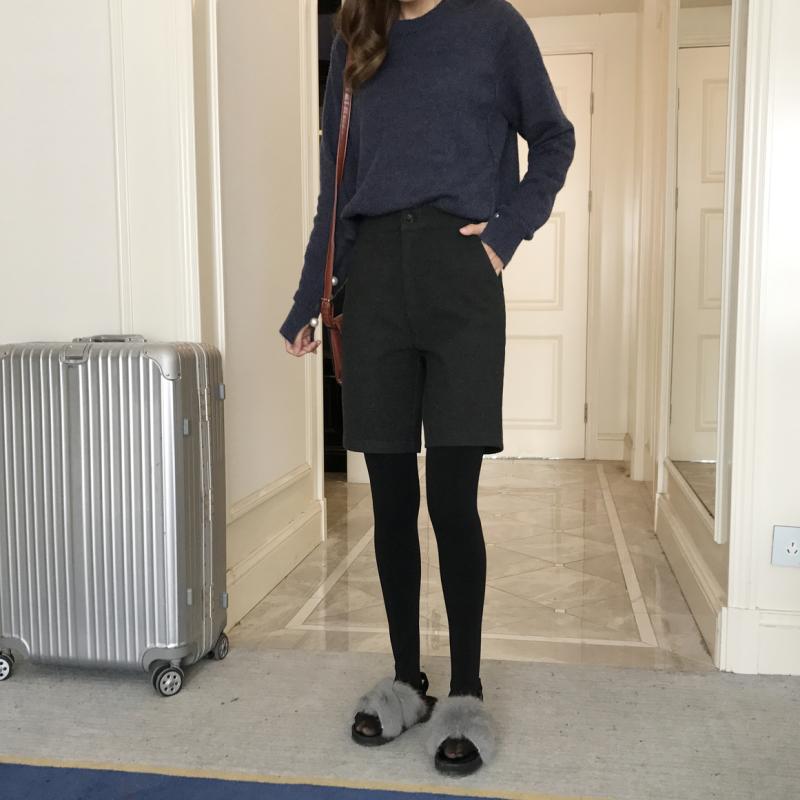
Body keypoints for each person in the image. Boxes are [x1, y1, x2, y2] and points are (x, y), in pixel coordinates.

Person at [279, 0, 575, 777]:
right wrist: (311, 297)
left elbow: (554, 137)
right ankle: (407, 681)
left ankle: (466, 691)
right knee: (388, 501)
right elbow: (336, 192)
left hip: (461, 282)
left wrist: (505, 235)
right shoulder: (355, 38)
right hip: (375, 284)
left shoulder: (494, 28)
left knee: (450, 499)